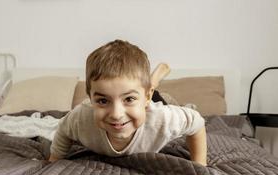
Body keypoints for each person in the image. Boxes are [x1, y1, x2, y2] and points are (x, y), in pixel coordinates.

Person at [49, 39, 207, 166]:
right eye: (103, 100)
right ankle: (144, 87)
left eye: (128, 99)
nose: (116, 114)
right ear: (91, 99)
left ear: (146, 98)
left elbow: (197, 122)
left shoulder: (162, 118)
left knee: (161, 98)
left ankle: (153, 84)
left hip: (154, 102)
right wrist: (54, 159)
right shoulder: (80, 118)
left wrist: (200, 163)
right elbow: (63, 130)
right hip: (142, 95)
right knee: (136, 92)